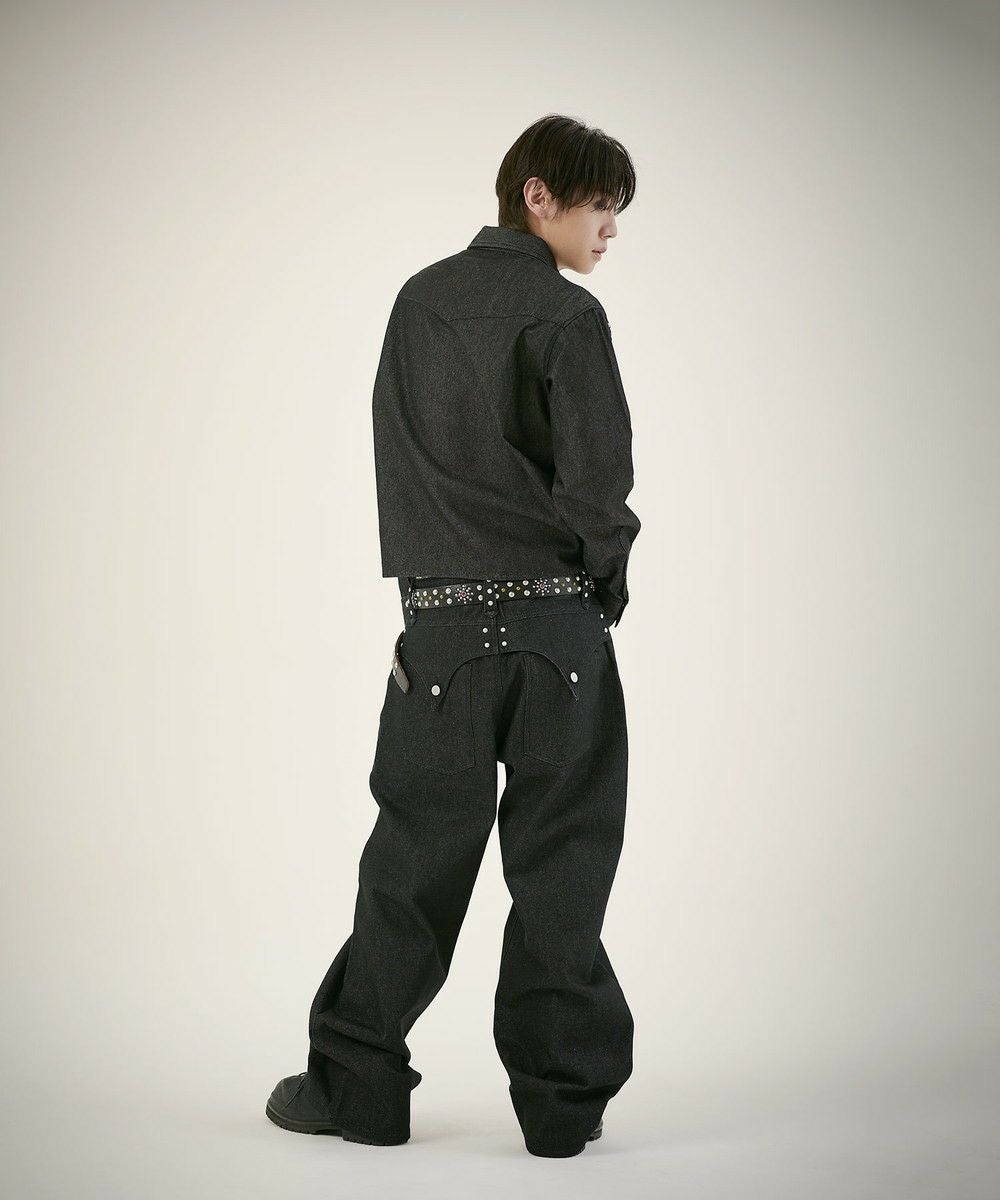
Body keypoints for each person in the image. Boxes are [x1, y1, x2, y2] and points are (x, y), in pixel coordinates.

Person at [266, 113, 641, 1159]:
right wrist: (601, 586)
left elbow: (401, 465)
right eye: (599, 204)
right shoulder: (569, 316)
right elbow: (598, 484)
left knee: (413, 861)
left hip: (438, 634)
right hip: (559, 632)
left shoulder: (419, 302)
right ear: (537, 194)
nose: (610, 228)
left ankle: (358, 1089)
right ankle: (561, 1110)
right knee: (562, 863)